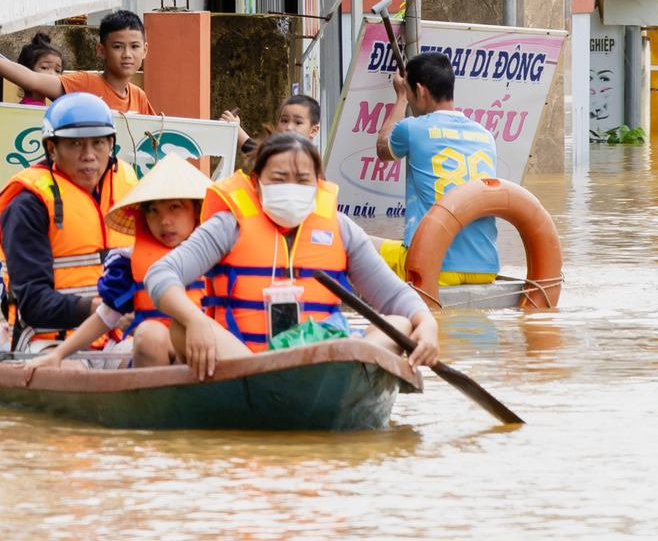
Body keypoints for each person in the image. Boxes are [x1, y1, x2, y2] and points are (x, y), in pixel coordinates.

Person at [146, 132, 440, 380]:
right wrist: (195, 321)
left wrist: (428, 324)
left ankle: (344, 382)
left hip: (324, 368)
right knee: (181, 327)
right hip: (246, 365)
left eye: (302, 180)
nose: (291, 188)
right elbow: (160, 275)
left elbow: (396, 296)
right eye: (279, 178)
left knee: (402, 323)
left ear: (318, 184)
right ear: (256, 182)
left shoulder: (340, 228)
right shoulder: (229, 225)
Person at [35, 154, 212, 368]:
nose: (164, 221)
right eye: (153, 210)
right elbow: (106, 316)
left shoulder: (221, 254)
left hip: (211, 350)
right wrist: (59, 354)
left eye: (174, 207)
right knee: (149, 334)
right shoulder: (129, 262)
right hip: (159, 360)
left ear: (196, 210)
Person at [0, 93, 132, 347]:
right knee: (73, 371)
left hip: (117, 337)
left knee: (158, 345)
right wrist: (100, 310)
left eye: (98, 143)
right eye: (76, 144)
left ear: (111, 145)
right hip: (49, 339)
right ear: (52, 149)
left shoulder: (129, 186)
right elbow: (32, 303)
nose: (89, 155)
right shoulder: (27, 206)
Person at [374, 51, 500, 286]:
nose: (411, 99)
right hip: (486, 267)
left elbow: (383, 148)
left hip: (433, 266)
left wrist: (400, 96)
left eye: (411, 93)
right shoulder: (486, 135)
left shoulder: (411, 129)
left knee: (349, 240)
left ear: (421, 91)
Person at [0, 9, 155, 113]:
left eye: (135, 47)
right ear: (101, 50)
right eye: (117, 47)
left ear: (145, 50)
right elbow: (32, 79)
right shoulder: (84, 83)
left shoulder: (139, 97)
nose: (127, 54)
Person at [11, 33, 65, 107]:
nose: (52, 75)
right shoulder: (31, 109)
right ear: (27, 70)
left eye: (57, 71)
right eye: (45, 67)